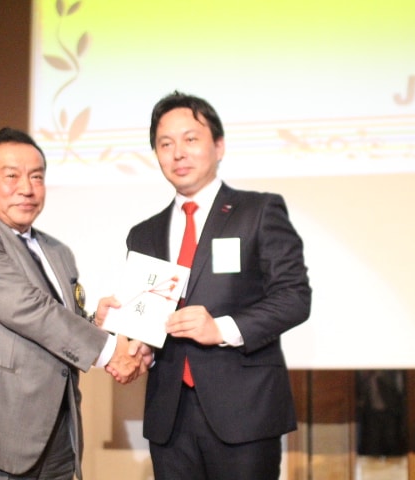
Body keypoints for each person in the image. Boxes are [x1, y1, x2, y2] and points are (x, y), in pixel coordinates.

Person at [0, 127, 146, 480]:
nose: (27, 188)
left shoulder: (57, 251)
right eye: (11, 176)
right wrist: (109, 351)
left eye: (37, 177)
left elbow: (56, 321)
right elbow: (26, 308)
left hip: (57, 438)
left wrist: (95, 323)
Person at [125, 91, 311, 479]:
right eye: (165, 144)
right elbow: (148, 319)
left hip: (245, 414)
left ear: (219, 146)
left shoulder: (258, 211)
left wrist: (221, 329)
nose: (178, 153)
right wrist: (133, 340)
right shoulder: (143, 234)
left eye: (190, 139)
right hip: (169, 418)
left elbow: (294, 297)